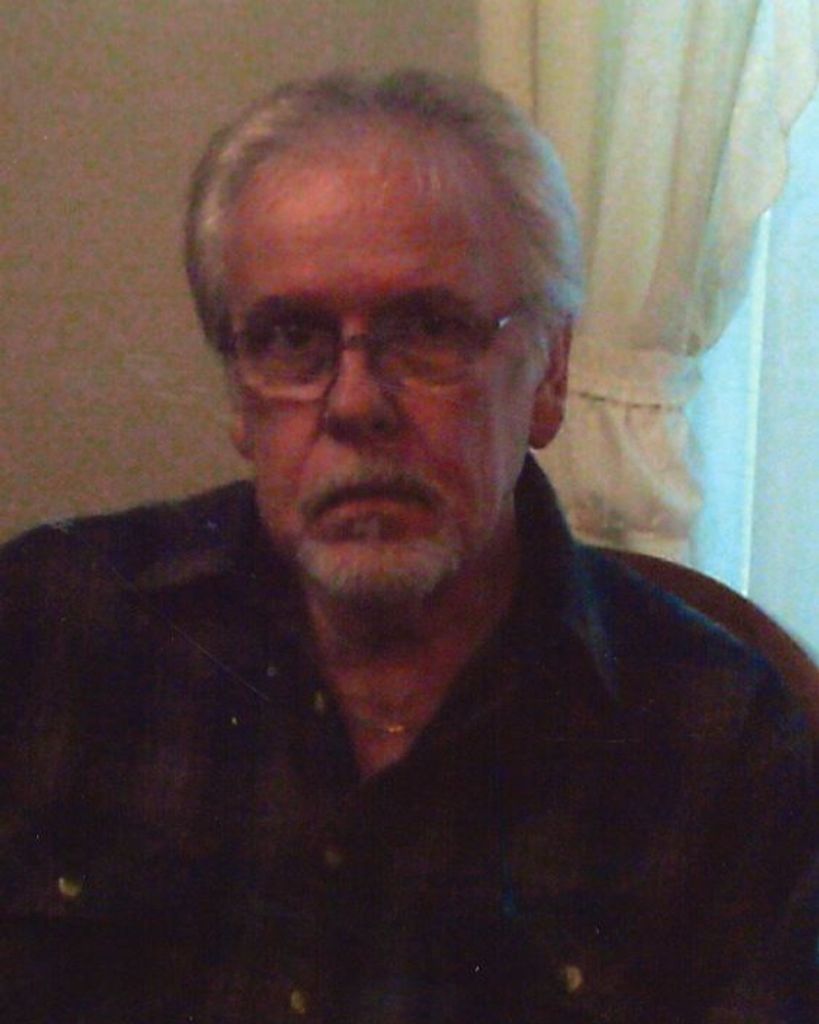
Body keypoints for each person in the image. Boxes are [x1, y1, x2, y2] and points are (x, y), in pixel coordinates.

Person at [0, 70, 816, 1024]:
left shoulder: (719, 736)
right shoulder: (48, 629)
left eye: (430, 330)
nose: (354, 405)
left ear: (549, 373)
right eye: (289, 338)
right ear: (237, 396)